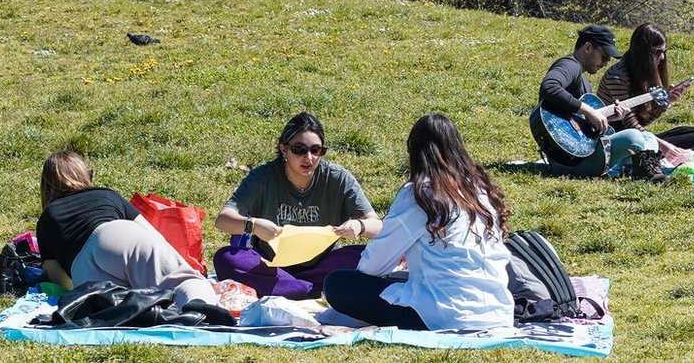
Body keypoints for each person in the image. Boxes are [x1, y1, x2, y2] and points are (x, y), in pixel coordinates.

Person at [323, 114, 513, 331]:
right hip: (498, 313)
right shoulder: (481, 192)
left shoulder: (420, 194)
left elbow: (375, 264)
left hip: (445, 315)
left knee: (339, 284)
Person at [213, 112, 382, 299]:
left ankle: (292, 289)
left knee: (370, 254)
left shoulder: (337, 178)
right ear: (284, 150)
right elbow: (223, 220)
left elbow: (377, 225)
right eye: (299, 149)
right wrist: (253, 225)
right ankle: (313, 290)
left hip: (321, 265)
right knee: (226, 258)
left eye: (316, 150)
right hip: (271, 266)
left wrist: (359, 226)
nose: (308, 157)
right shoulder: (263, 177)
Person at [36, 151, 216, 308]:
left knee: (117, 307)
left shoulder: (47, 218)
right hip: (123, 234)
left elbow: (60, 282)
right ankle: (198, 306)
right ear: (84, 176)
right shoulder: (106, 194)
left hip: (85, 264)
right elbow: (153, 234)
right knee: (184, 282)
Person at [535, 24, 662, 180]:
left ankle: (647, 170)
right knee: (634, 137)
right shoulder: (569, 65)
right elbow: (549, 87)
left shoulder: (584, 82)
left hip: (580, 154)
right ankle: (642, 170)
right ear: (587, 47)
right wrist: (589, 111)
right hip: (568, 162)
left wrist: (608, 118)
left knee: (648, 138)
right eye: (604, 56)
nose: (606, 62)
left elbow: (579, 125)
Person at [596, 23, 694, 166]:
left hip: (637, 133)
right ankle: (647, 157)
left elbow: (642, 121)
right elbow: (629, 124)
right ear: (643, 52)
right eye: (658, 52)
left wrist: (666, 102)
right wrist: (663, 145)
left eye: (664, 51)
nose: (663, 57)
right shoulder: (618, 76)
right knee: (640, 141)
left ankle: (652, 154)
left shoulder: (645, 73)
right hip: (617, 136)